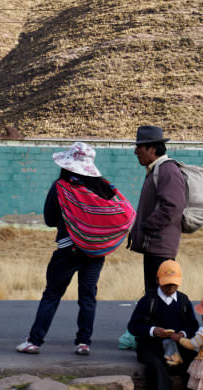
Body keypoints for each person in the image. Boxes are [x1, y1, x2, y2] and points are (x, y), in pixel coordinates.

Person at [16, 142, 134, 356]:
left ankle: (35, 341)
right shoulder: (105, 187)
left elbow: (50, 219)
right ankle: (83, 342)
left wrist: (72, 220)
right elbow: (124, 212)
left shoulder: (61, 187)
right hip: (96, 252)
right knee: (88, 296)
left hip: (68, 250)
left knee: (52, 294)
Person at [126, 260, 203, 390]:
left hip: (177, 344)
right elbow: (133, 326)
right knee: (157, 368)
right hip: (151, 345)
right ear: (158, 280)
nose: (171, 288)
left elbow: (192, 325)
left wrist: (182, 334)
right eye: (167, 285)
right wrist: (153, 331)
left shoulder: (183, 301)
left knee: (194, 363)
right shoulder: (148, 300)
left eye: (174, 285)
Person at [128, 125, 187, 295]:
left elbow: (173, 206)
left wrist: (147, 225)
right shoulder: (157, 170)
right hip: (155, 246)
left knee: (159, 298)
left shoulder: (167, 170)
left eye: (139, 147)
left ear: (152, 148)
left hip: (160, 248)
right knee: (155, 297)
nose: (136, 152)